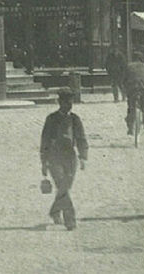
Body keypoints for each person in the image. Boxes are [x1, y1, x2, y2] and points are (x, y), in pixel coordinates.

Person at [39, 91, 88, 231]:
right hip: (55, 157)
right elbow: (45, 141)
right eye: (66, 102)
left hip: (70, 157)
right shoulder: (51, 119)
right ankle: (70, 220)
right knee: (63, 186)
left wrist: (83, 156)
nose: (69, 105)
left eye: (71, 102)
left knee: (65, 187)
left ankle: (55, 210)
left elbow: (81, 138)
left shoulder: (75, 119)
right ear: (60, 102)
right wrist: (44, 162)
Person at [123, 55, 144, 143]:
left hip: (132, 88)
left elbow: (124, 79)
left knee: (131, 107)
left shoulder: (129, 66)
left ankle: (130, 128)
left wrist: (125, 90)